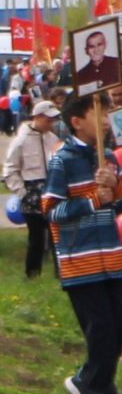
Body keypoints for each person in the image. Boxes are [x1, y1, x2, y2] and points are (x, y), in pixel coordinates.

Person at [47, 96, 122, 394]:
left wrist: (115, 188)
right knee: (100, 328)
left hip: (111, 257)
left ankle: (87, 380)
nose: (105, 120)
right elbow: (52, 211)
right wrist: (90, 201)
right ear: (76, 121)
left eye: (107, 113)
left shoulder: (109, 158)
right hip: (79, 259)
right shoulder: (62, 160)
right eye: (97, 113)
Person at [10, 100, 61, 280]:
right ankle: (32, 273)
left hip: (51, 188)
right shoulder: (21, 140)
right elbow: (10, 169)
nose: (51, 124)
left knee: (57, 234)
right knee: (36, 238)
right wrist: (23, 193)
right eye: (48, 120)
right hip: (31, 191)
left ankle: (61, 272)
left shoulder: (52, 138)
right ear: (38, 117)